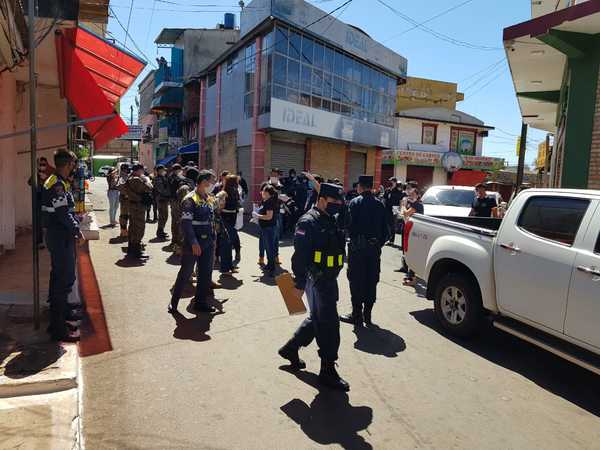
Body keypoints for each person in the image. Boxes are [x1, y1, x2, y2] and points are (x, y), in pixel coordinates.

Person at [278, 183, 349, 391]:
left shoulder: (330, 218)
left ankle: (291, 348)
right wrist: (299, 284)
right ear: (322, 199)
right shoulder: (308, 222)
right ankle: (327, 371)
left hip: (328, 279)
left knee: (319, 317)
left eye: (339, 201)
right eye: (334, 201)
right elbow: (299, 257)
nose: (338, 205)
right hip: (316, 280)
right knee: (329, 324)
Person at [42, 150, 83, 342]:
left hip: (57, 235)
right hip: (60, 237)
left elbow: (65, 211)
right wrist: (77, 229)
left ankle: (63, 316)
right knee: (63, 280)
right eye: (73, 164)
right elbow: (62, 213)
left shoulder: (56, 181)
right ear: (67, 164)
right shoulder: (57, 184)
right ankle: (58, 328)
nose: (74, 167)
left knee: (59, 277)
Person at [340, 175, 389, 327]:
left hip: (357, 249)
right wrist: (376, 244)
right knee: (371, 280)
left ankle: (356, 315)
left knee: (356, 281)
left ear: (360, 187)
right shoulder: (380, 204)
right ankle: (367, 316)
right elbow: (387, 231)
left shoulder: (355, 202)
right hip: (373, 250)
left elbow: (348, 224)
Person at [169, 170, 218, 314]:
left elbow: (213, 218)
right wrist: (194, 242)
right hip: (194, 243)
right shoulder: (190, 199)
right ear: (204, 182)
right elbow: (186, 224)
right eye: (212, 181)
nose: (213, 184)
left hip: (208, 241)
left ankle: (200, 302)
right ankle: (174, 303)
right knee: (185, 272)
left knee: (205, 273)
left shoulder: (209, 198)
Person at [124, 164, 153, 258]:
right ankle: (137, 251)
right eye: (142, 170)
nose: (143, 172)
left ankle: (131, 248)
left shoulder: (131, 178)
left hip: (134, 206)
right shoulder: (136, 179)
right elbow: (149, 188)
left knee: (133, 226)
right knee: (139, 227)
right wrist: (147, 180)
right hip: (138, 207)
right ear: (137, 171)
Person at [401, 182, 424, 286]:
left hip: (414, 231)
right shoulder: (412, 203)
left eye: (412, 192)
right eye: (409, 191)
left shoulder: (417, 204)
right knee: (407, 251)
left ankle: (412, 277)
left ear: (417, 194)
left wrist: (402, 206)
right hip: (409, 229)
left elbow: (406, 213)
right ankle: (409, 274)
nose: (410, 194)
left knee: (411, 252)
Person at [254, 184, 279, 276]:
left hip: (268, 228)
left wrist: (257, 216)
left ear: (268, 193)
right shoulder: (269, 201)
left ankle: (272, 268)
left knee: (269, 248)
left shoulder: (269, 202)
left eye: (264, 191)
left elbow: (269, 217)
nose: (262, 193)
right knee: (269, 247)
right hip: (269, 227)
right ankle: (269, 265)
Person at [220, 174, 242, 271]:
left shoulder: (235, 191)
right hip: (226, 219)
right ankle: (225, 267)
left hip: (232, 218)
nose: (237, 183)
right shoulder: (224, 193)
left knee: (229, 242)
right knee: (227, 243)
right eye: (236, 181)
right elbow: (220, 207)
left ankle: (229, 266)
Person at [383, 177, 406, 246]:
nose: (391, 183)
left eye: (392, 181)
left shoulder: (399, 191)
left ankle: (392, 240)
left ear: (395, 182)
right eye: (390, 181)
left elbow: (401, 201)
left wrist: (399, 210)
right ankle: (387, 239)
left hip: (394, 209)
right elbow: (384, 199)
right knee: (387, 224)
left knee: (392, 225)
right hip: (387, 208)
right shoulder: (387, 190)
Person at [168, 164, 186, 253]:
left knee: (174, 221)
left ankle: (174, 241)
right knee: (178, 222)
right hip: (177, 202)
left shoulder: (170, 177)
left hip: (173, 201)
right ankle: (178, 243)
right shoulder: (179, 178)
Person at [153, 164, 171, 239]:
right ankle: (160, 232)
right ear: (159, 171)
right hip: (161, 199)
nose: (164, 171)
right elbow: (162, 190)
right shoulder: (158, 179)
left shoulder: (163, 177)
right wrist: (169, 194)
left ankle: (161, 230)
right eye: (163, 170)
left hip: (164, 199)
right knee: (162, 216)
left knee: (165, 216)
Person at [116, 164, 130, 238]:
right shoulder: (122, 176)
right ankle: (123, 231)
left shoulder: (124, 176)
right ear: (124, 169)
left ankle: (124, 231)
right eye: (127, 168)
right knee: (124, 215)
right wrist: (126, 194)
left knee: (125, 215)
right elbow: (119, 186)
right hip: (125, 198)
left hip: (125, 198)